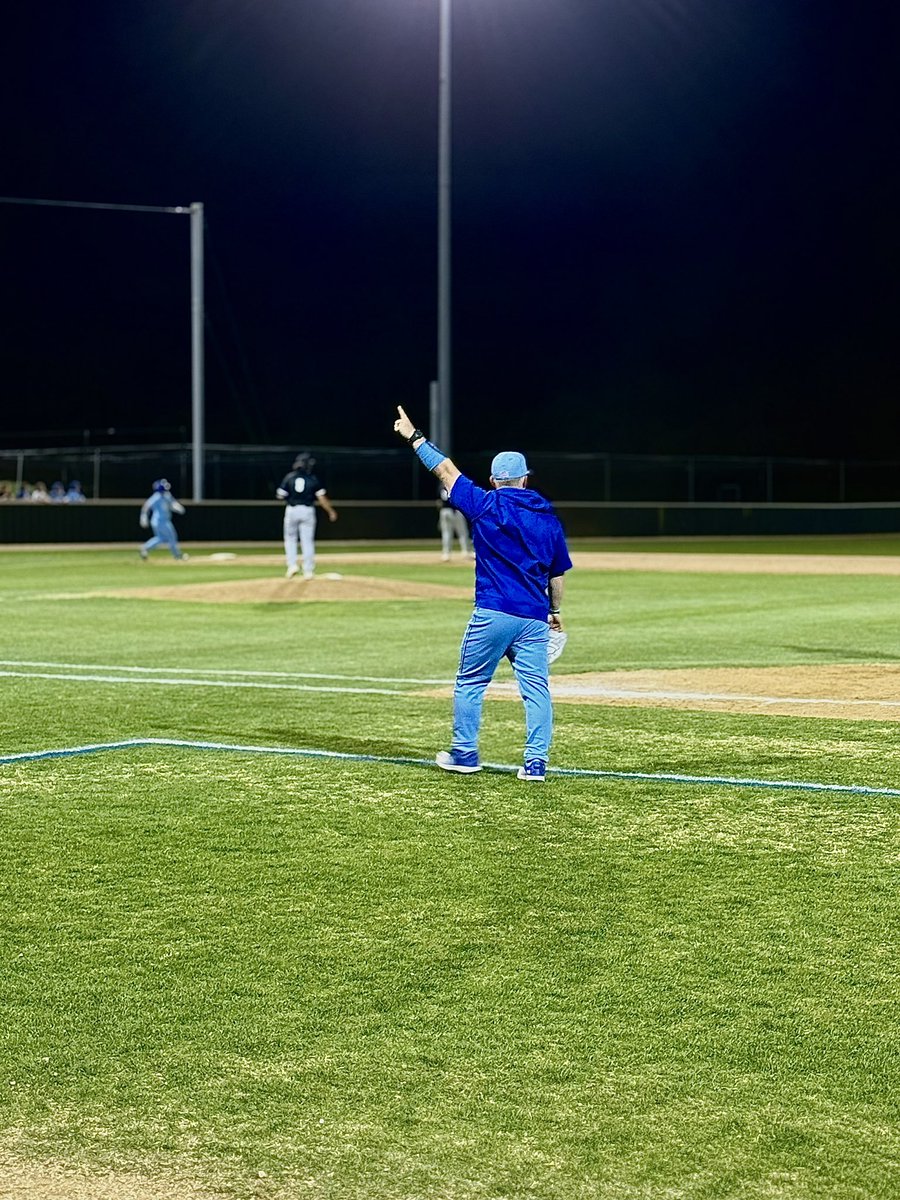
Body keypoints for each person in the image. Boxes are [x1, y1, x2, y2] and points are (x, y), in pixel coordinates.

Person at [393, 405, 572, 782]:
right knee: (536, 691)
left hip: (493, 613)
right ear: (525, 480)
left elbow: (445, 470)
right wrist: (553, 611)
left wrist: (414, 436)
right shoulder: (549, 520)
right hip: (533, 619)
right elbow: (557, 577)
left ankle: (465, 753)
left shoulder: (485, 505)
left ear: (493, 480)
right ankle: (536, 763)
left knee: (471, 683)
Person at [276, 452, 338, 579]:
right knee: (307, 541)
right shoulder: (312, 479)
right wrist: (330, 511)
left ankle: (292, 566)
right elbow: (321, 498)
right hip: (307, 510)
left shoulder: (289, 477)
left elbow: (280, 495)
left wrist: (290, 497)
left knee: (290, 539)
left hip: (292, 509)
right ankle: (308, 571)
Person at [139, 478, 188, 560]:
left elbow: (172, 504)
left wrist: (177, 507)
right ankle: (177, 555)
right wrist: (143, 517)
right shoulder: (156, 497)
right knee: (172, 536)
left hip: (163, 521)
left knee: (160, 538)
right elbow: (146, 506)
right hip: (160, 521)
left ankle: (145, 548)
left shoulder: (167, 495)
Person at [438, 486, 471, 561]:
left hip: (447, 511)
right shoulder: (456, 488)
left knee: (448, 533)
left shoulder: (443, 489)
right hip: (453, 511)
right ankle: (465, 552)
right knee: (461, 532)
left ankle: (447, 554)